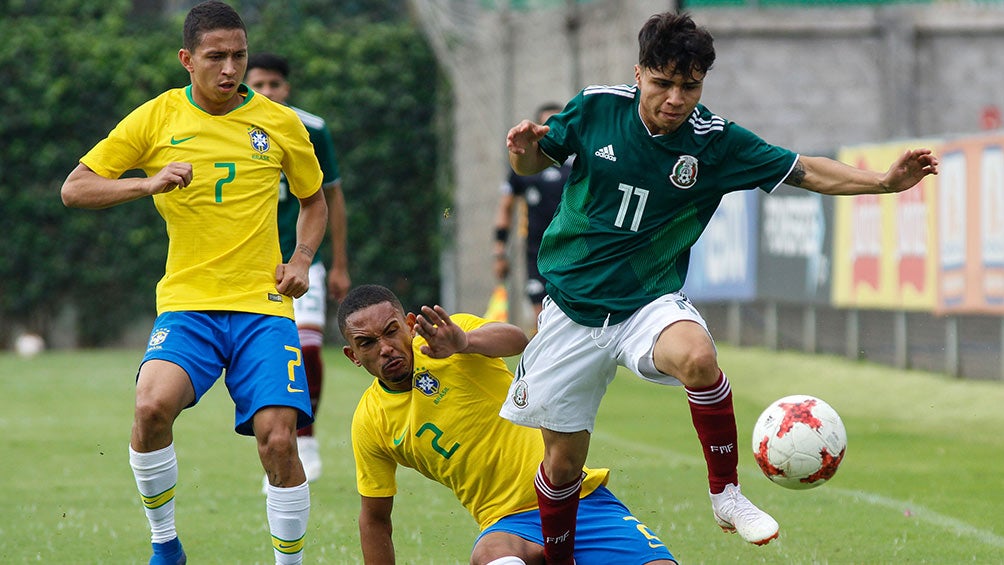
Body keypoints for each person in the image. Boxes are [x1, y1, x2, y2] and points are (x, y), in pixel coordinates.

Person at [499, 11, 939, 564]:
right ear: (639, 74)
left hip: (646, 303)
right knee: (562, 465)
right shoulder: (596, 108)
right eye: (662, 83)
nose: (675, 99)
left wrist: (883, 182)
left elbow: (805, 170)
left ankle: (726, 494)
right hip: (571, 310)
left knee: (698, 357)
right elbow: (537, 156)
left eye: (690, 86)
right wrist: (522, 149)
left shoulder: (715, 141)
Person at [60, 2, 328, 563]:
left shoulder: (281, 123)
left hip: (263, 307)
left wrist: (302, 258)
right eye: (215, 57)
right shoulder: (156, 118)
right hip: (188, 305)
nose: (229, 69)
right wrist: (147, 184)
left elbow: (314, 201)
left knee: (280, 440)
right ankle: (165, 545)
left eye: (239, 55)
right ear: (187, 59)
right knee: (150, 408)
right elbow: (76, 188)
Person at [338, 284, 677, 565]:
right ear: (353, 355)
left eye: (391, 331)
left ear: (410, 324)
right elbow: (374, 519)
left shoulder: (449, 338)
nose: (385, 348)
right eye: (367, 343)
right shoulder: (371, 423)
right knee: (493, 558)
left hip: (578, 497)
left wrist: (464, 343)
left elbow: (517, 340)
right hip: (510, 525)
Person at [247, 52, 351, 486]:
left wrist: (340, 263)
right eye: (259, 85)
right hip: (251, 263)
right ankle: (278, 441)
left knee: (307, 347)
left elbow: (331, 199)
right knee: (265, 355)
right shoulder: (231, 126)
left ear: (286, 89)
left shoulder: (312, 129)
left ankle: (304, 439)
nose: (267, 92)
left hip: (304, 259)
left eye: (275, 85)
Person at [493, 103, 571, 331]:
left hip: (574, 248)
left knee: (568, 317)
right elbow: (505, 208)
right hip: (536, 251)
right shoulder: (525, 166)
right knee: (543, 317)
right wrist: (499, 251)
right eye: (548, 125)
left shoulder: (578, 162)